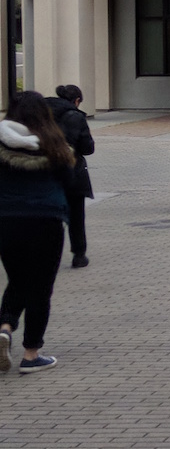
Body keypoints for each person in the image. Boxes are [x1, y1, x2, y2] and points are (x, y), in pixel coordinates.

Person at [0, 91, 77, 375]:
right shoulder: (54, 144)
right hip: (46, 220)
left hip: (7, 220)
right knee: (40, 288)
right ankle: (31, 354)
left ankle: (5, 327)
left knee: (17, 280)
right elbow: (71, 181)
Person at [47, 85, 95, 268]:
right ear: (76, 101)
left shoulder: (42, 112)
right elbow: (87, 147)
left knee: (51, 216)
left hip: (46, 172)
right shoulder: (76, 116)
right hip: (72, 172)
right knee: (76, 215)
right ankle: (79, 254)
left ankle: (49, 255)